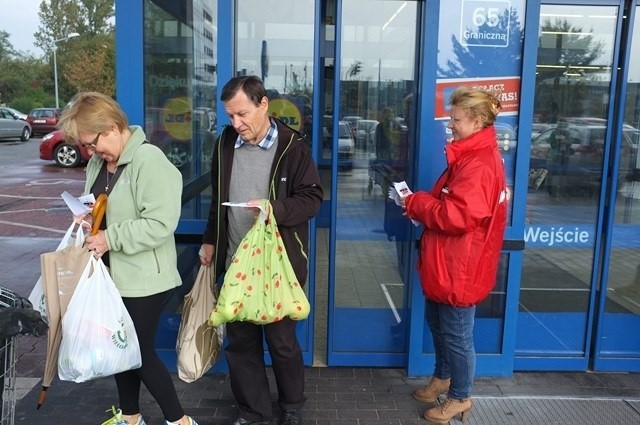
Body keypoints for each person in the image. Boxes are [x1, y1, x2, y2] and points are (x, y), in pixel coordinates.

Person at [58, 92, 198, 425]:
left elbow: (160, 224)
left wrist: (110, 237)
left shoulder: (150, 161)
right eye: (86, 148)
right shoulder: (97, 162)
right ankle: (130, 417)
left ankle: (180, 421)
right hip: (110, 275)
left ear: (110, 126)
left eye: (92, 144)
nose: (90, 153)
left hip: (144, 278)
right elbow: (101, 203)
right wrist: (87, 216)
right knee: (117, 350)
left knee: (138, 352)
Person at [199, 76, 323, 425]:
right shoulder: (225, 143)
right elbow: (217, 199)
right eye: (230, 117)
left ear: (263, 104)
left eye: (242, 114)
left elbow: (312, 199)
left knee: (282, 343)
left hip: (277, 265)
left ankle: (293, 406)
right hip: (236, 262)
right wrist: (211, 239)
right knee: (241, 344)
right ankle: (253, 411)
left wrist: (274, 209)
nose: (236, 124)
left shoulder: (292, 147)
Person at [400, 88, 508, 423]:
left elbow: (456, 216)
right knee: (439, 324)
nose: (450, 124)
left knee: (458, 336)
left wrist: (417, 202)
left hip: (460, 267)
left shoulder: (478, 164)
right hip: (448, 263)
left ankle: (459, 397)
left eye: (456, 119)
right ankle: (442, 378)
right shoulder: (469, 158)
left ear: (477, 121)